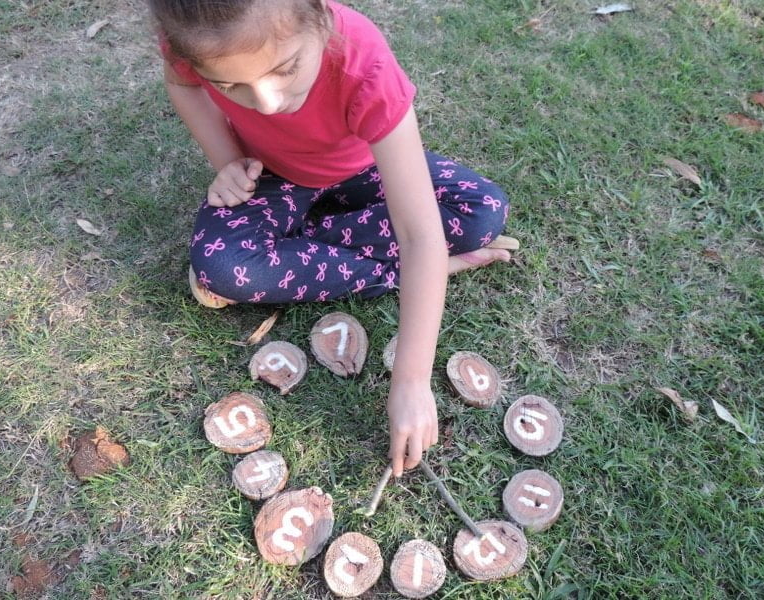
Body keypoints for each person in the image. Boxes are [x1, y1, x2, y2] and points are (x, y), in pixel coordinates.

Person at [148, 0, 516, 477]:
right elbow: (181, 85)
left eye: (285, 68)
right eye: (229, 84)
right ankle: (381, 268)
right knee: (224, 268)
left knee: (482, 213)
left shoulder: (366, 65)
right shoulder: (188, 34)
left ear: (318, 19)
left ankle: (299, 246)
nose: (267, 102)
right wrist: (227, 162)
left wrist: (410, 380)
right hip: (272, 178)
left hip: (365, 171)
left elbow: (419, 233)